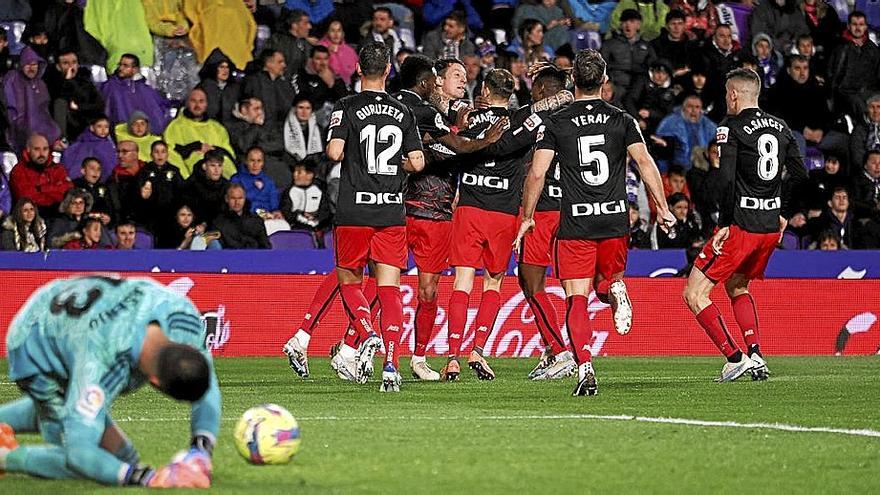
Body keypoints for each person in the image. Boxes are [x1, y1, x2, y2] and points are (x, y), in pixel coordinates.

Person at [515, 49, 675, 396]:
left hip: (577, 223)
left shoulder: (555, 122)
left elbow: (537, 173)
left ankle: (585, 368)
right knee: (607, 284)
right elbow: (646, 164)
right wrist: (662, 208)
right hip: (616, 220)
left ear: (572, 81)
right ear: (604, 81)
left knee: (576, 298)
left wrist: (527, 217)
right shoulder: (622, 119)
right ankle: (615, 289)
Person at [0, 275, 219, 487]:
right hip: (34, 341)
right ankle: (5, 457)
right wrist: (144, 478)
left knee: (109, 450)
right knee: (103, 457)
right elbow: (80, 452)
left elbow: (205, 380)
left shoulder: (182, 317)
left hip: (76, 312)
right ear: (154, 382)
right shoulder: (101, 364)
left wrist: (201, 447)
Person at [683, 68, 807, 382]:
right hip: (768, 227)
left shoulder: (731, 127)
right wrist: (783, 211)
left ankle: (735, 358)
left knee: (695, 294)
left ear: (735, 94)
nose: (726, 99)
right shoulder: (781, 127)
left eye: (727, 93)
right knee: (738, 286)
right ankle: (755, 354)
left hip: (740, 225)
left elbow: (725, 180)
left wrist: (725, 222)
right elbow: (801, 175)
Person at [396, 55, 505, 381]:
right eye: (455, 74)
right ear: (436, 81)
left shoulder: (459, 116)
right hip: (403, 206)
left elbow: (456, 142)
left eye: (464, 74)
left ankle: (418, 358)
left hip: (440, 213)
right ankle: (353, 342)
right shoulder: (421, 114)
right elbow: (444, 148)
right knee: (380, 282)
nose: (463, 78)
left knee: (429, 292)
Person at [324, 41, 424, 392]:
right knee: (390, 289)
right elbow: (418, 162)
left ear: (358, 70)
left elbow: (334, 152)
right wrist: (394, 163)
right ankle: (392, 366)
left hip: (354, 209)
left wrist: (355, 151)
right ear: (387, 71)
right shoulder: (404, 110)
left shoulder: (346, 105)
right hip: (390, 211)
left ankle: (366, 333)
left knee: (350, 281)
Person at [163, 87, 237, 179]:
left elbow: (228, 153)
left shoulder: (217, 128)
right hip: (192, 181)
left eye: (201, 101)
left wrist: (212, 151)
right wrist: (194, 147)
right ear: (187, 103)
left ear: (206, 104)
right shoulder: (174, 127)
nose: (197, 105)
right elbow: (171, 154)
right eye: (193, 101)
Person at [4, 46, 62, 153]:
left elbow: (45, 111)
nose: (31, 68)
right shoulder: (12, 78)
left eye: (34, 64)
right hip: (18, 128)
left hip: (40, 128)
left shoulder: (40, 84)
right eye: (28, 64)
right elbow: (10, 108)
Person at [43, 49, 105, 143]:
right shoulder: (52, 83)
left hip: (88, 123)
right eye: (66, 63)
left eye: (74, 62)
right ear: (58, 67)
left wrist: (79, 107)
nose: (71, 66)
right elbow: (58, 102)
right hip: (69, 129)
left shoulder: (86, 81)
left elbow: (99, 104)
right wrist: (68, 81)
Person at [229, 97, 289, 191]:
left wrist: (256, 145)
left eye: (261, 108)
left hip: (278, 171)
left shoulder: (269, 126)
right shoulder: (235, 127)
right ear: (244, 110)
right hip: (255, 174)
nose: (260, 112)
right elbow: (244, 146)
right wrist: (255, 126)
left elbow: (279, 145)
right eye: (256, 109)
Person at [828, 11, 880, 120]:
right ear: (848, 26)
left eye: (861, 24)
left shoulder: (873, 50)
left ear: (865, 26)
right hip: (846, 92)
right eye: (854, 24)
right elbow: (832, 73)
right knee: (862, 107)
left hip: (869, 91)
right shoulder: (840, 48)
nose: (858, 28)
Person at [100, 54, 170, 134]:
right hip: (120, 133)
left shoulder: (145, 89)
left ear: (135, 69)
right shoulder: (110, 86)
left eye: (125, 66)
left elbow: (158, 111)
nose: (121, 68)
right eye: (120, 64)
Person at [10, 134, 73, 219]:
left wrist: (41, 188)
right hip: (29, 218)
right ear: (28, 150)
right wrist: (53, 193)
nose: (41, 153)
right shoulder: (18, 171)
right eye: (37, 149)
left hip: (58, 216)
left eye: (45, 149)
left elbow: (67, 191)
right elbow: (26, 197)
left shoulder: (58, 169)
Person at [601, 9, 657, 98]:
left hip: (639, 85)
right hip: (617, 84)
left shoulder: (646, 45)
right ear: (621, 25)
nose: (628, 25)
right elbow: (602, 65)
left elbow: (653, 65)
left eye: (632, 21)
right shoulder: (610, 44)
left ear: (638, 25)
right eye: (624, 22)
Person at [655, 95, 717, 170]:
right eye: (690, 106)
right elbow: (660, 151)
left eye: (697, 107)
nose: (694, 110)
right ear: (683, 108)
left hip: (702, 170)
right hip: (675, 170)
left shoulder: (709, 126)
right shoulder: (669, 123)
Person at [292, 45, 348, 125]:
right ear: (311, 60)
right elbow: (300, 101)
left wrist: (332, 84)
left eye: (325, 59)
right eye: (318, 59)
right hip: (306, 120)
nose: (322, 63)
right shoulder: (300, 76)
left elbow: (346, 101)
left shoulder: (335, 78)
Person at [242, 49, 296, 127]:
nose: (284, 65)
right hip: (257, 131)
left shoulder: (285, 84)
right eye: (280, 62)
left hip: (280, 131)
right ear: (268, 63)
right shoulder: (252, 81)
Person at [212, 183, 270, 249]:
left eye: (240, 198)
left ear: (245, 198)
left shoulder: (257, 220)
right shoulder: (218, 223)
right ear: (226, 199)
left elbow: (266, 247)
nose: (237, 202)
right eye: (233, 198)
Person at [280, 157, 330, 232]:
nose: (295, 174)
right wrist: (300, 215)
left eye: (299, 172)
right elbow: (286, 212)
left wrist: (316, 217)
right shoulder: (289, 192)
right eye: (294, 171)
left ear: (310, 175)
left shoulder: (319, 191)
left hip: (318, 227)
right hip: (296, 227)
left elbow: (325, 211)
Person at [61, 115, 117, 181]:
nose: (103, 130)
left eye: (106, 127)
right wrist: (73, 176)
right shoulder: (87, 143)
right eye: (99, 126)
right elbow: (80, 161)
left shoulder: (108, 142)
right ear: (92, 128)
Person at [181, 150, 230, 226]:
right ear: (204, 166)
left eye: (219, 165)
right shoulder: (191, 183)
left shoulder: (226, 185)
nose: (216, 170)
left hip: (219, 227)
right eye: (212, 165)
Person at [230, 147, 281, 218]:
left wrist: (276, 212)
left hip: (269, 216)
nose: (255, 164)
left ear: (263, 163)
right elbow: (240, 202)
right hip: (246, 217)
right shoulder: (236, 179)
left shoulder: (269, 181)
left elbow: (274, 203)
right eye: (252, 160)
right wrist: (256, 189)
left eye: (259, 161)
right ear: (246, 161)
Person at [263, 9, 314, 78]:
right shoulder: (277, 41)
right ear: (294, 25)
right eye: (305, 23)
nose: (309, 26)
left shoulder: (306, 44)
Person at [196, 49, 241, 125]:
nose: (225, 70)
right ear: (213, 68)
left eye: (227, 67)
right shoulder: (203, 88)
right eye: (221, 67)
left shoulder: (235, 88)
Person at [319, 20, 358, 86]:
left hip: (349, 86)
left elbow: (357, 69)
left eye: (339, 30)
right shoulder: (320, 48)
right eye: (332, 30)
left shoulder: (350, 51)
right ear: (327, 32)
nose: (336, 34)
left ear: (343, 33)